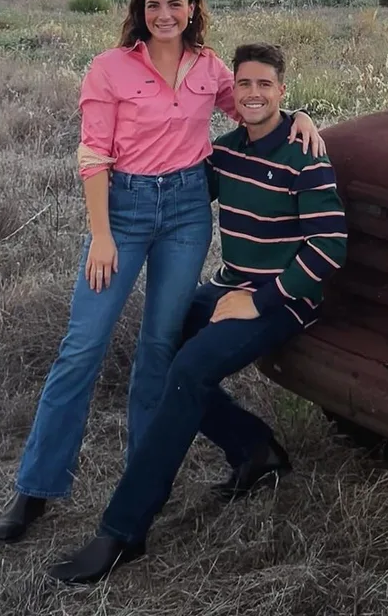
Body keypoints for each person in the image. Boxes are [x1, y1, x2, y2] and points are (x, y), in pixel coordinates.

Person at [0, 0, 324, 544]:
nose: (165, 13)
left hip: (187, 213)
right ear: (140, 11)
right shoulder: (110, 68)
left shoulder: (209, 67)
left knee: (158, 348)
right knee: (82, 348)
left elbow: (250, 106)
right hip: (123, 209)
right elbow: (94, 155)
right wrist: (101, 234)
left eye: (176, 3)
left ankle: (140, 486)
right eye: (154, 5)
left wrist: (300, 119)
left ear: (193, 9)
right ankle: (37, 487)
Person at [46, 42, 347, 584]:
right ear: (234, 91)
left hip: (284, 300)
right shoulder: (227, 154)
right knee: (162, 344)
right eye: (245, 85)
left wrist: (258, 301)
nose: (254, 94)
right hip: (229, 287)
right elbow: (176, 191)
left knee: (188, 369)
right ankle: (254, 449)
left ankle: (123, 531)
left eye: (266, 86)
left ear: (282, 90)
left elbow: (328, 247)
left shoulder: (307, 156)